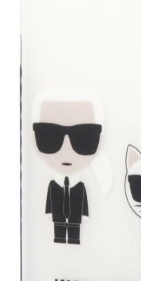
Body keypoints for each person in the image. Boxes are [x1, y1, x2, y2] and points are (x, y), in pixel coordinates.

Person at [32, 93, 102, 244]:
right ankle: (59, 238)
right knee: (58, 233)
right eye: (49, 137)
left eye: (84, 139)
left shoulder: (80, 185)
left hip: (76, 219)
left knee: (74, 234)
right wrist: (48, 212)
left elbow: (84, 201)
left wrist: (85, 214)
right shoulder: (53, 184)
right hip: (57, 218)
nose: (66, 148)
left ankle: (74, 239)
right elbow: (49, 200)